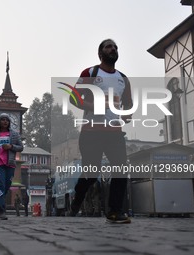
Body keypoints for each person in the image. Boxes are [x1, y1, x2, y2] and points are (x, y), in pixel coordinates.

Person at [69, 39, 133, 224]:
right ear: (100, 53)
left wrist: (128, 113)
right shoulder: (90, 73)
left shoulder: (124, 78)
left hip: (114, 132)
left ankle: (115, 211)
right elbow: (73, 97)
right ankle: (77, 200)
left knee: (121, 169)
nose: (113, 49)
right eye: (108, 46)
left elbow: (127, 103)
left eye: (115, 47)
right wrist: (93, 105)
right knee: (92, 172)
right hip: (91, 132)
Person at [0, 113, 24, 220]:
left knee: (6, 186)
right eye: (3, 119)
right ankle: (2, 210)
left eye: (7, 120)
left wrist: (11, 146)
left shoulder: (15, 135)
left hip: (10, 164)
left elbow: (21, 147)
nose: (5, 121)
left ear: (9, 122)